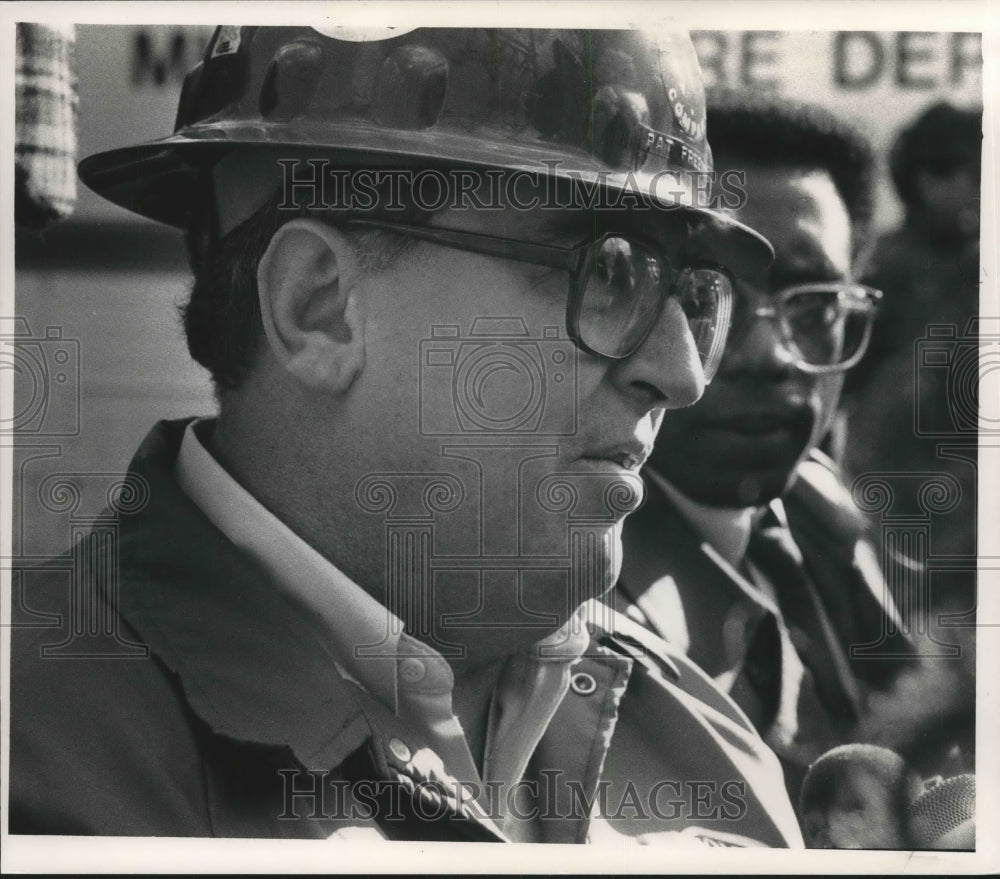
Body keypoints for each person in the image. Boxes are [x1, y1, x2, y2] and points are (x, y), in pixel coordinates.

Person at [9, 26, 802, 846]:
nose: (682, 374)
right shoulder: (39, 763)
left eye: (695, 298)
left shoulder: (708, 737)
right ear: (318, 306)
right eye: (608, 271)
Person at [615, 94, 914, 801]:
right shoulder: (565, 592)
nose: (766, 354)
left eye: (813, 305)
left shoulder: (821, 508)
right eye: (706, 296)